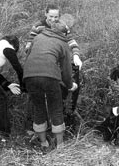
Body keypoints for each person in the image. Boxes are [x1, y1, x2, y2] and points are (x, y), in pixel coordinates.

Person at [23, 21, 77, 149]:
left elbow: (29, 56)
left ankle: (43, 143)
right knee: (56, 108)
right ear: (64, 33)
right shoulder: (63, 43)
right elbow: (66, 71)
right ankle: (60, 145)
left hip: (29, 75)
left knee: (38, 107)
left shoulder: (38, 37)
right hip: (49, 76)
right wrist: (70, 85)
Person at [25, 4, 82, 69]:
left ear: (59, 16)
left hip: (57, 59)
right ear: (46, 14)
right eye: (51, 16)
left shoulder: (63, 26)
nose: (53, 19)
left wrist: (76, 56)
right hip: (40, 59)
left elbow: (71, 41)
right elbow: (28, 46)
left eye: (56, 17)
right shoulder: (37, 26)